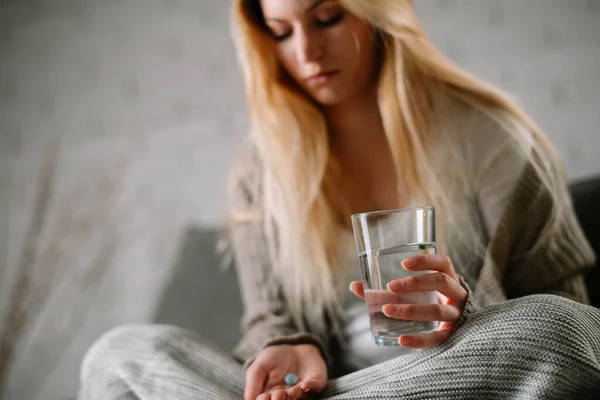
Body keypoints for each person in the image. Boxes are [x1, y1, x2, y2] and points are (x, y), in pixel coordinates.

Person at [77, 0, 600, 399]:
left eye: (326, 18)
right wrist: (289, 347)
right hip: (327, 391)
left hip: (454, 377)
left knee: (560, 330)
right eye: (280, 33)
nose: (305, 52)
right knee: (119, 356)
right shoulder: (261, 169)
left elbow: (574, 327)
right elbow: (269, 316)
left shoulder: (497, 143)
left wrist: (470, 316)